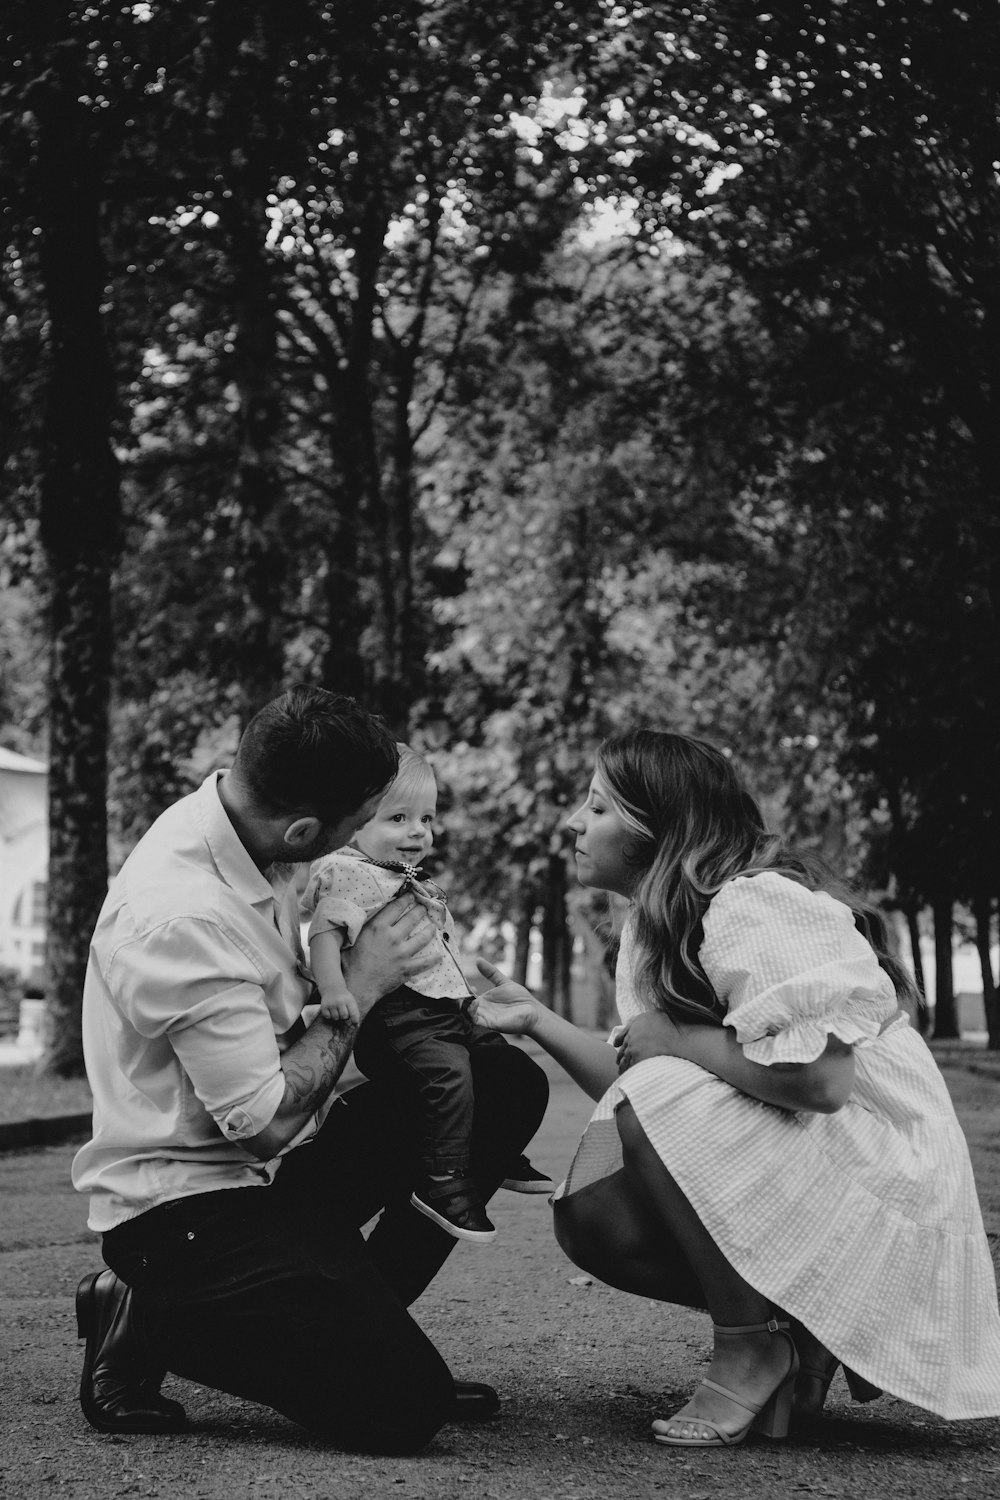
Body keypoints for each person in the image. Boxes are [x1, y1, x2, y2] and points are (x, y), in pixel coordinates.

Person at [471, 728, 1000, 1450]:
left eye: (595, 808)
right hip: (822, 1158)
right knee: (591, 1218)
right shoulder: (654, 929)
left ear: (655, 826)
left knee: (657, 1092)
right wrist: (536, 1019)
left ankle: (752, 1342)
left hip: (887, 1168)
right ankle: (804, 1329)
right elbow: (639, 1090)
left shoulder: (754, 903)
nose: (572, 823)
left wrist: (676, 1042)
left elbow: (823, 1081)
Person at [71, 686, 548, 1453]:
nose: (364, 841)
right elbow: (261, 1126)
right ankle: (148, 1312)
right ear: (302, 827)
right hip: (195, 1210)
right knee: (402, 1407)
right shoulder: (181, 917)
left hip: (288, 1174)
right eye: (357, 828)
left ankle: (360, 1337)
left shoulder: (258, 830)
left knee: (501, 1082)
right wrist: (361, 984)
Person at [304, 744, 551, 1243]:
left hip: (435, 1010)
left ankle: (492, 1154)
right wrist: (334, 988)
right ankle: (444, 1181)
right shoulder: (350, 872)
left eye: (426, 818)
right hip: (396, 1019)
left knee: (494, 1058)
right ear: (353, 826)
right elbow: (324, 932)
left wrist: (465, 1000)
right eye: (398, 817)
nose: (418, 831)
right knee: (448, 1075)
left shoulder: (400, 877)